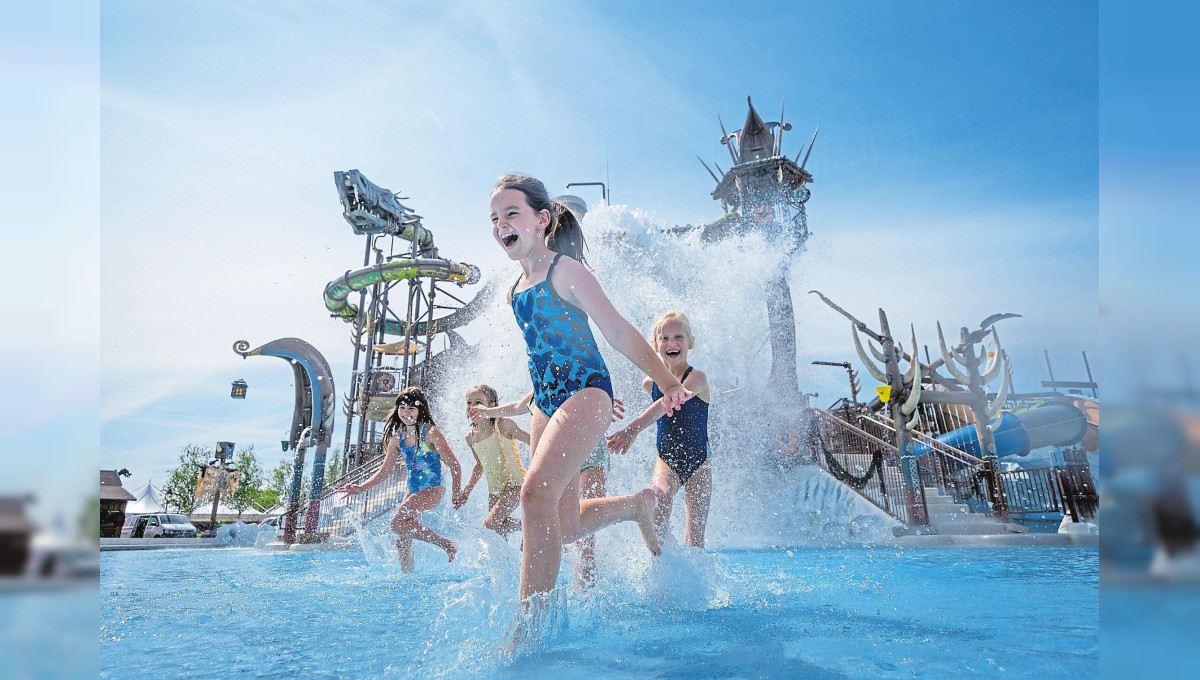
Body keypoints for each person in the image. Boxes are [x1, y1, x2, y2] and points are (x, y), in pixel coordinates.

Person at [490, 173, 693, 601]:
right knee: (562, 526)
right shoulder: (514, 291)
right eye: (494, 218)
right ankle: (635, 507)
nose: (501, 224)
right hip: (546, 403)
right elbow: (540, 356)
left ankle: (528, 627)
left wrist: (667, 380)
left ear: (542, 219)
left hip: (585, 390)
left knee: (533, 495)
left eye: (512, 213)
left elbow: (616, 330)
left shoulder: (565, 270)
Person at [471, 390, 625, 587]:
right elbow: (518, 406)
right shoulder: (540, 387)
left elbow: (592, 385)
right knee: (559, 526)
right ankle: (553, 586)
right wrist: (486, 412)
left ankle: (586, 590)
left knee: (584, 540)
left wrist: (605, 402)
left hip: (588, 451)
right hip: (556, 459)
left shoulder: (569, 374)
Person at [608, 311, 712, 549]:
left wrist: (631, 430)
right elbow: (659, 405)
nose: (671, 343)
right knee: (659, 503)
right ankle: (665, 566)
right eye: (664, 338)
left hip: (700, 463)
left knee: (695, 539)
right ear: (655, 345)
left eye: (678, 337)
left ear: (690, 342)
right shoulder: (649, 383)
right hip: (666, 458)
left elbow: (667, 402)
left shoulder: (696, 378)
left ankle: (690, 580)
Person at [337, 388, 463, 572]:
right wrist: (361, 488)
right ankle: (408, 578)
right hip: (412, 490)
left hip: (433, 488)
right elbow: (384, 472)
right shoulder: (397, 438)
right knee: (401, 540)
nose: (406, 412)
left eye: (411, 408)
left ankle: (447, 544)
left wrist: (457, 492)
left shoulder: (431, 433)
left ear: (421, 410)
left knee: (396, 524)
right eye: (402, 408)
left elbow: (455, 465)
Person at [457, 384, 530, 539]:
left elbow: (532, 441)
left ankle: (537, 525)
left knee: (489, 526)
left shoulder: (503, 425)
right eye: (469, 402)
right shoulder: (470, 437)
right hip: (494, 491)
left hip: (515, 486)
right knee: (498, 532)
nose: (472, 407)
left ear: (492, 406)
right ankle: (531, 528)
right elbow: (480, 465)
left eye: (478, 402)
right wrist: (467, 491)